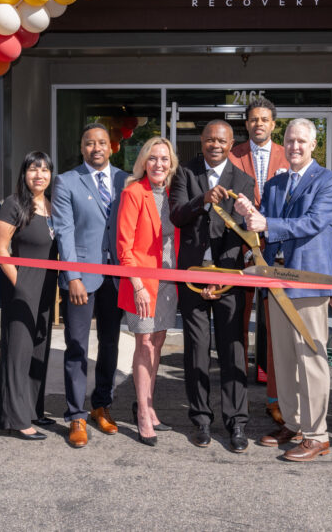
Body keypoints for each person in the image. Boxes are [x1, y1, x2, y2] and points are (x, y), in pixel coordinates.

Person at [237, 118, 332, 463]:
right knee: (282, 358)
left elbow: (313, 223)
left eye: (302, 141)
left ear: (314, 145)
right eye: (291, 141)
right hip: (275, 282)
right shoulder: (275, 182)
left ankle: (317, 434)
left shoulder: (330, 181)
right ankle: (294, 423)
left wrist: (266, 222)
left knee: (312, 359)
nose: (295, 147)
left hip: (308, 282)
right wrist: (248, 214)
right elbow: (262, 228)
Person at [170, 120, 256, 453]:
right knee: (195, 349)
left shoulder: (244, 180)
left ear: (232, 143)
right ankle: (201, 419)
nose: (214, 145)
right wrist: (202, 199)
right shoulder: (185, 173)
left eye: (221, 140)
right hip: (192, 275)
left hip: (229, 277)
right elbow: (177, 215)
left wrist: (221, 278)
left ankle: (236, 422)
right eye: (208, 140)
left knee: (232, 349)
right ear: (201, 142)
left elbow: (245, 234)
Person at [51, 123, 128, 448]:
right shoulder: (66, 181)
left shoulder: (126, 180)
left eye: (101, 143)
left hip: (116, 277)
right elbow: (65, 233)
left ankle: (101, 404)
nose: (95, 148)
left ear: (111, 147)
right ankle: (75, 415)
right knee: (77, 347)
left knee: (110, 344)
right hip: (82, 277)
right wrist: (73, 277)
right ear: (82, 148)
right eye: (88, 143)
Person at [228, 96, 289, 425]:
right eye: (253, 119)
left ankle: (274, 398)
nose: (259, 124)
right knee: (237, 325)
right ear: (247, 124)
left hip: (278, 251)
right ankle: (237, 400)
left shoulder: (286, 154)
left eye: (265, 119)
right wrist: (248, 242)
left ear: (273, 124)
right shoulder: (233, 155)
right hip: (241, 251)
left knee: (275, 328)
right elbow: (224, 202)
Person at [117, 137, 180, 447]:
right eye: (153, 158)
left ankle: (150, 404)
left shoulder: (171, 194)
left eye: (164, 159)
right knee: (144, 343)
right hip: (142, 283)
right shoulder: (133, 193)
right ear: (144, 162)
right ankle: (142, 412)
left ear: (171, 164)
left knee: (157, 341)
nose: (159, 164)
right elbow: (124, 246)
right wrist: (138, 284)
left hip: (168, 282)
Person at [0, 151, 59, 441]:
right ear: (24, 173)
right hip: (21, 287)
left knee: (38, 349)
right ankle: (15, 419)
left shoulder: (52, 205)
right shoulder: (13, 204)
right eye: (34, 169)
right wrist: (19, 284)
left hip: (46, 288)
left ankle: (32, 408)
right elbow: (0, 249)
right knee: (18, 352)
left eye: (45, 170)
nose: (39, 175)